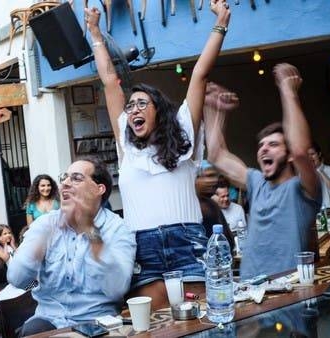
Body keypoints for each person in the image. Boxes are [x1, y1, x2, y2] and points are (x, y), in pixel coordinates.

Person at [85, 0, 231, 309]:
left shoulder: (183, 138)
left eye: (141, 104)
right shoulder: (126, 145)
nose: (133, 109)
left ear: (158, 112)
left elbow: (199, 76)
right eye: (131, 105)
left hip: (187, 241)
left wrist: (221, 23)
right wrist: (95, 32)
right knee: (155, 327)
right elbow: (110, 82)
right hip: (142, 246)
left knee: (202, 322)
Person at [204, 67, 322, 279]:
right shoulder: (257, 182)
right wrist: (214, 109)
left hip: (288, 293)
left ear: (289, 156)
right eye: (261, 145)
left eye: (274, 144)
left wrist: (288, 91)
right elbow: (216, 155)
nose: (264, 149)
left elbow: (300, 150)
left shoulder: (303, 188)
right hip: (250, 289)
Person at [7, 157, 136, 335]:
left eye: (76, 178)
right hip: (48, 320)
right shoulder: (45, 224)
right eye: (64, 178)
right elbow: (17, 279)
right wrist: (39, 243)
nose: (65, 184)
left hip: (97, 322)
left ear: (99, 189)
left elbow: (116, 289)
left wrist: (90, 230)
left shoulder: (117, 229)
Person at [308, 142, 330, 210]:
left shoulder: (328, 169)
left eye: (312, 154)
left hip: (326, 206)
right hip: (311, 208)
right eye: (308, 155)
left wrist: (320, 170)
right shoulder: (305, 172)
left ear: (319, 154)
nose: (310, 157)